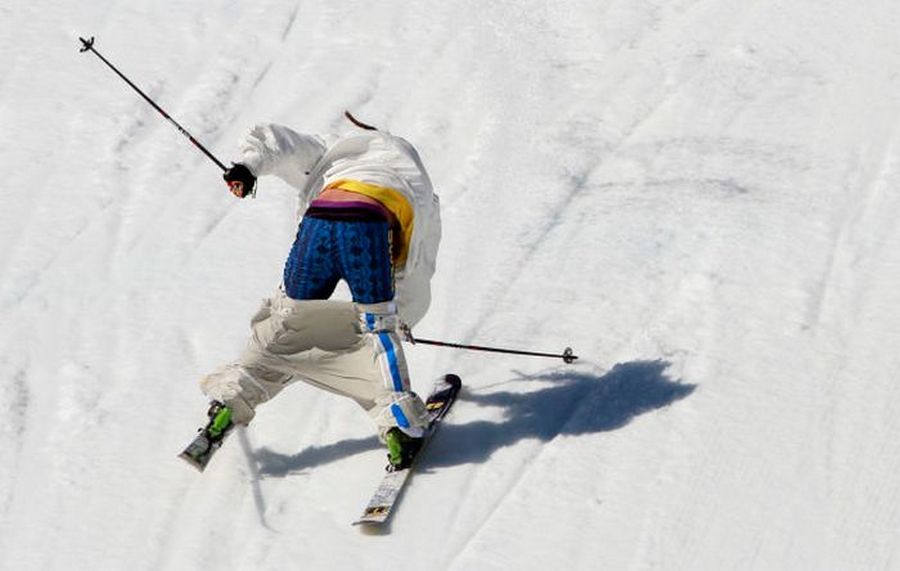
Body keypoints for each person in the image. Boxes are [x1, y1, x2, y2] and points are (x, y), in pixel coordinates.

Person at [195, 117, 442, 471]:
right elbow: (419, 259)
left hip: (319, 226)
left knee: (285, 322)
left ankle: (230, 401)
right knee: (379, 332)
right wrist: (399, 319)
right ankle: (401, 428)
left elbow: (280, 143)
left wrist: (247, 168)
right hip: (369, 228)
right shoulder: (415, 176)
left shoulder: (336, 150)